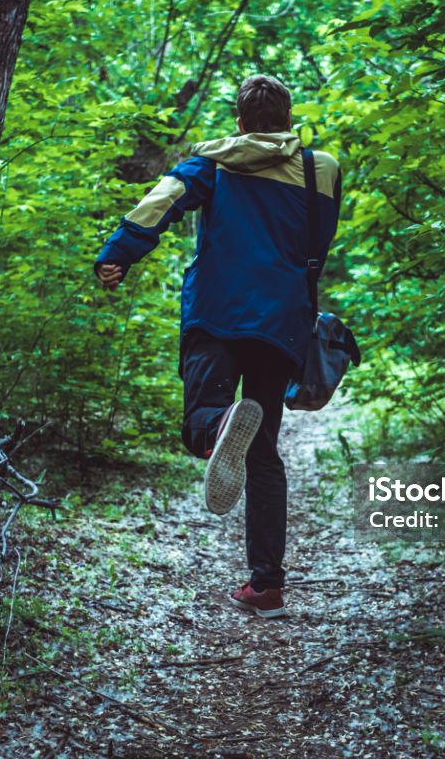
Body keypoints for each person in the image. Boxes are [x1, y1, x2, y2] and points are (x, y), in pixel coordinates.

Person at [94, 75, 341, 618]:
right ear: (287, 116)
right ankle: (267, 586)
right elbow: (318, 243)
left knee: (199, 420)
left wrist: (119, 254)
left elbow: (161, 201)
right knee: (265, 453)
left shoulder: (214, 163)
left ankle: (219, 424)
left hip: (217, 313)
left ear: (240, 121)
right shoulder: (319, 168)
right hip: (280, 322)